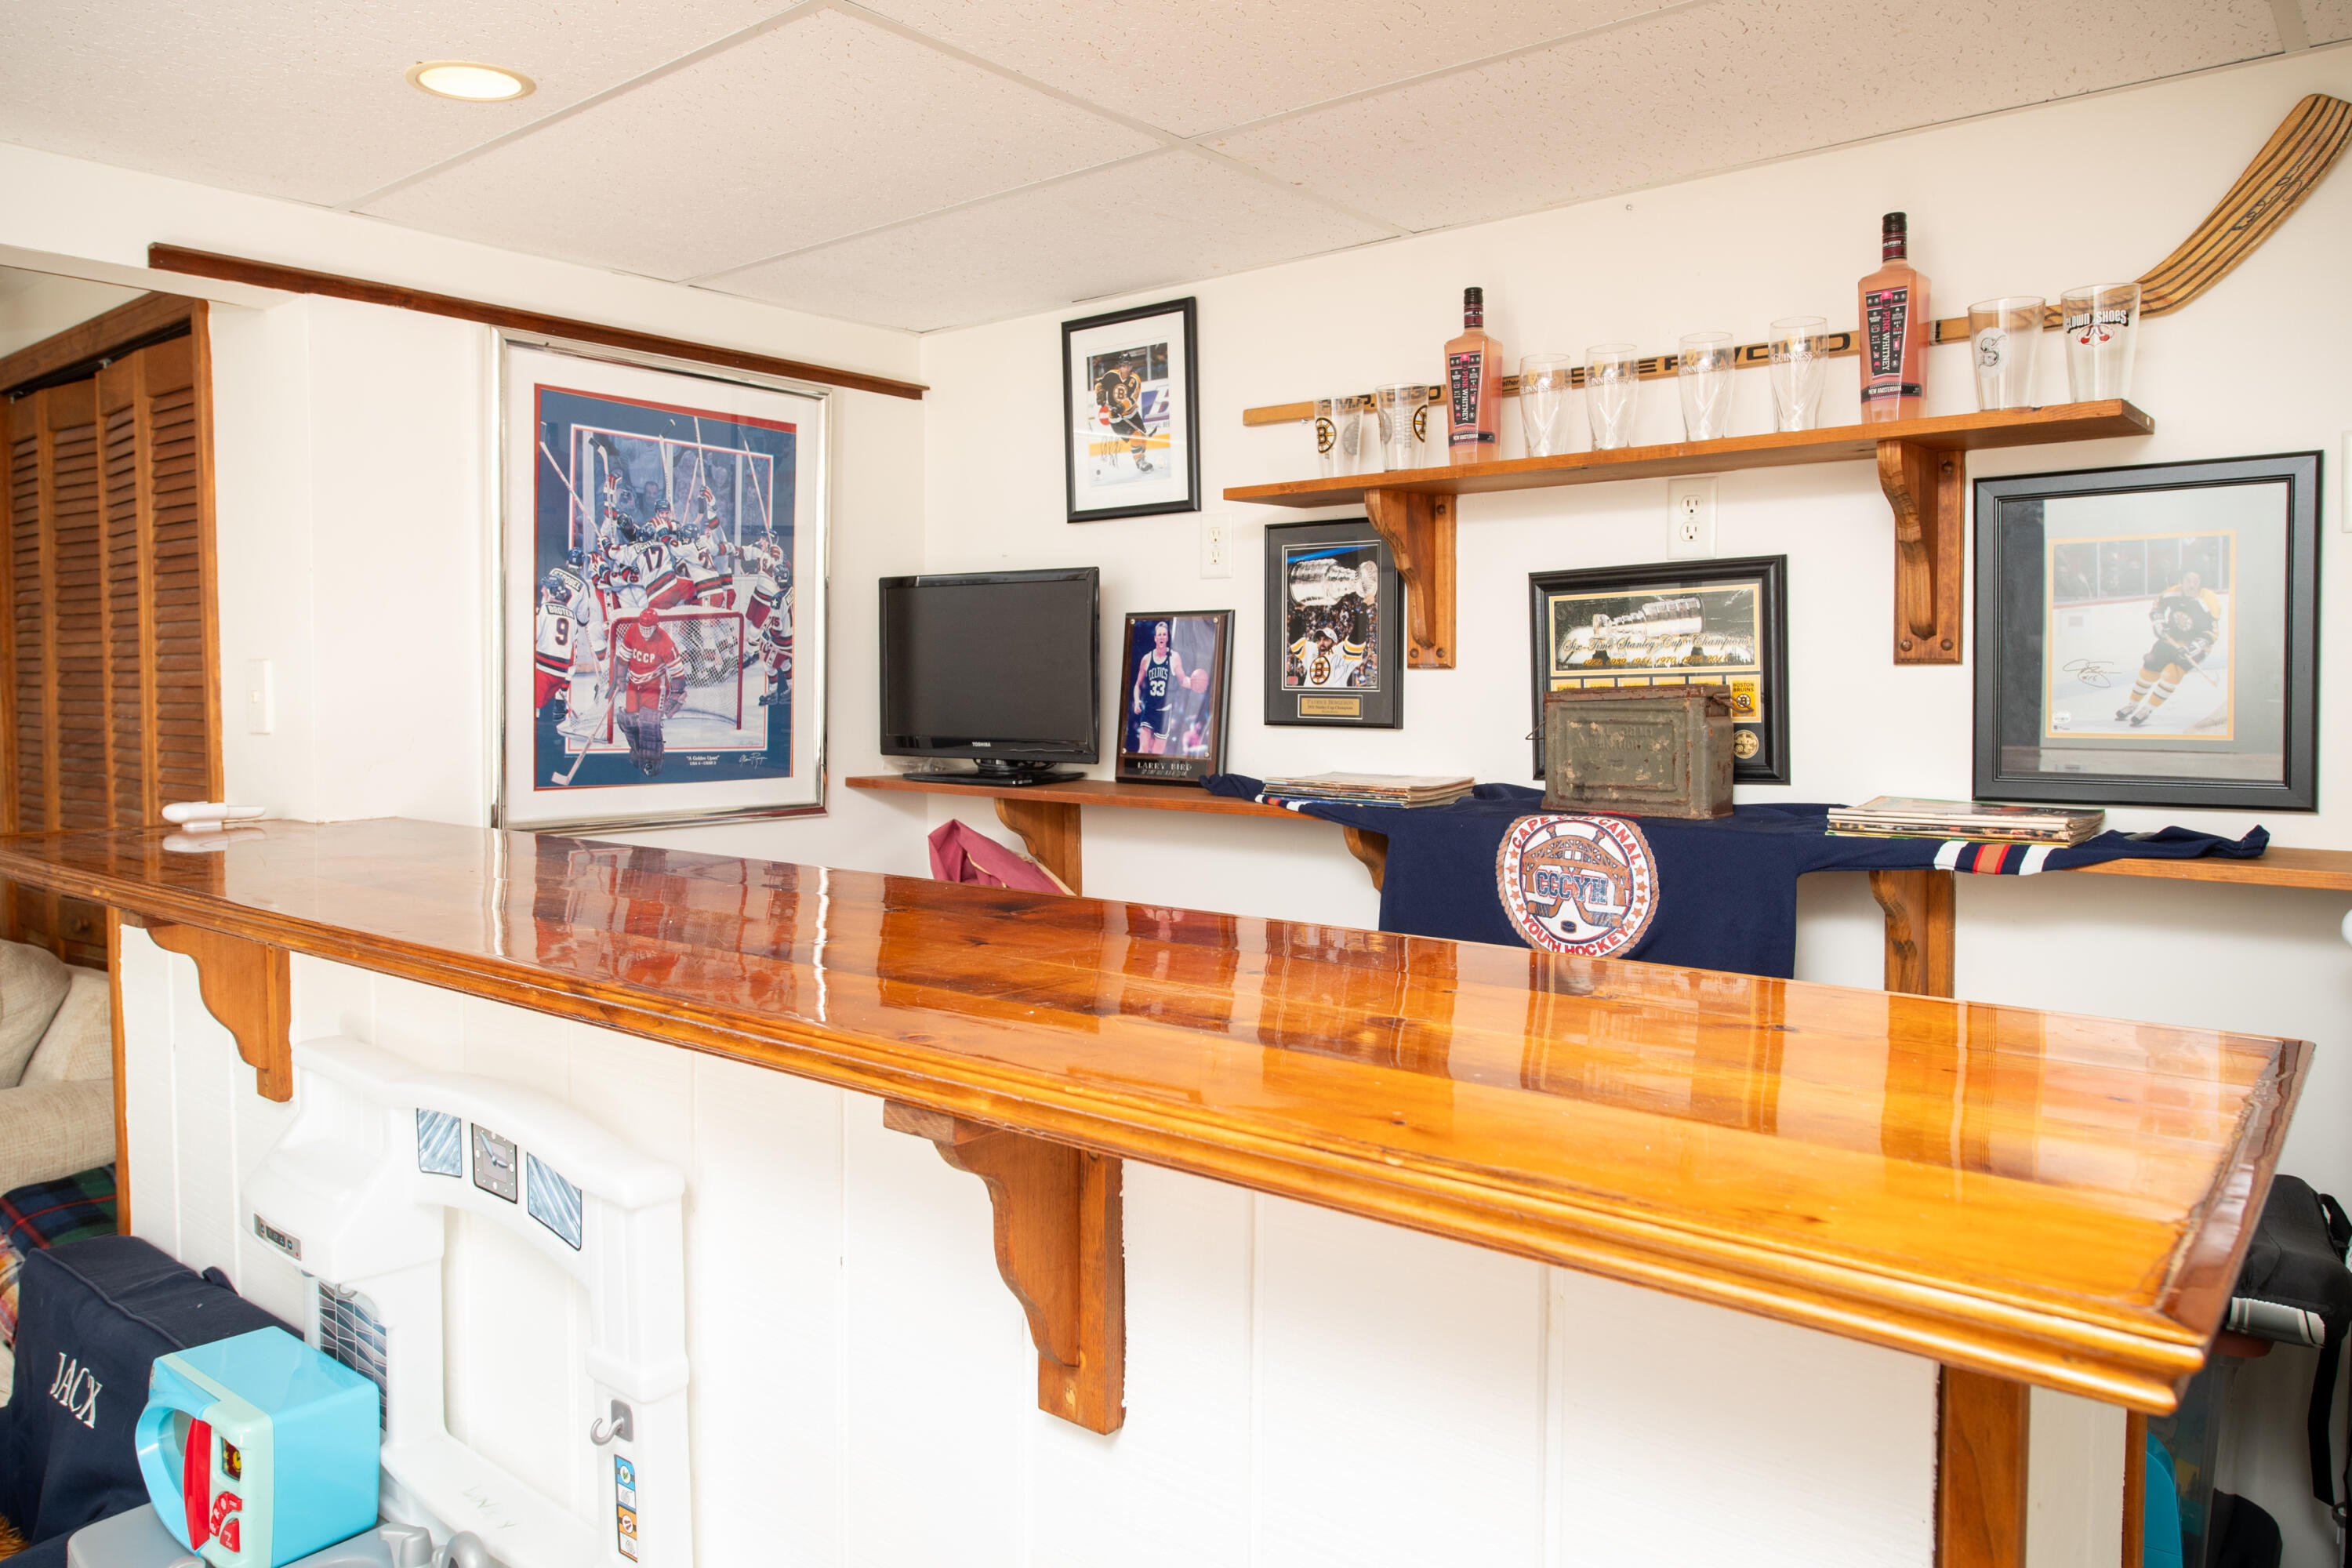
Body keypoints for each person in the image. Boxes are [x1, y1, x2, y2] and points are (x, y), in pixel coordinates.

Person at [2115, 570, 2220, 727]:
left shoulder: (2208, 600)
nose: (2191, 585)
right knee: (2149, 670)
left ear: (2201, 583)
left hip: (2195, 646)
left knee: (2172, 673)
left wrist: (2194, 647)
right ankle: (2132, 704)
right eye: (2188, 580)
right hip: (2171, 639)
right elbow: (2158, 606)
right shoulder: (2173, 593)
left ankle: (2148, 709)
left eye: (2196, 581)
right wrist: (2159, 622)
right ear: (2182, 581)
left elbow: (2212, 633)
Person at [609, 606, 688, 775]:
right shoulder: (631, 631)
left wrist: (676, 694)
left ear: (656, 626)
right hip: (634, 684)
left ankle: (653, 762)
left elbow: (677, 671)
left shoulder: (664, 640)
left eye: (649, 628)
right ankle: (639, 755)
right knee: (629, 721)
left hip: (655, 686)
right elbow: (623, 658)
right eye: (643, 628)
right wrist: (620, 678)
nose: (645, 632)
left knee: (649, 723)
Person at [1128, 621, 1206, 753]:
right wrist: (1136, 701)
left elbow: (1182, 680)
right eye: (1159, 635)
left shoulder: (1174, 657)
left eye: (1164, 634)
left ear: (1167, 638)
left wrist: (1193, 683)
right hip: (1149, 709)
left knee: (1157, 754)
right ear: (1155, 638)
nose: (1162, 637)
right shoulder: (1146, 659)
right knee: (1143, 750)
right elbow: (1137, 685)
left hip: (1164, 712)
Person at [1092, 358, 1152, 475]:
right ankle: (1139, 461)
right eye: (1123, 366)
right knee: (1136, 436)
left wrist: (1120, 407)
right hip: (1117, 419)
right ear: (1119, 366)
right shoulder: (1111, 375)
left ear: (1131, 366)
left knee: (1143, 436)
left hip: (1132, 413)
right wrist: (1100, 394)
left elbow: (1133, 398)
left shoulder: (1135, 379)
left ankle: (1142, 457)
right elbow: (1099, 384)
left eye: (1128, 365)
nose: (1126, 368)